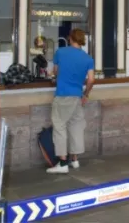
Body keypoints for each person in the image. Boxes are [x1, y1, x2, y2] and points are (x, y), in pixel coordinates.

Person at [47, 29, 95, 174]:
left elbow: (55, 71)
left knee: (59, 125)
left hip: (63, 95)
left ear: (70, 38)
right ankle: (74, 160)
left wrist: (55, 74)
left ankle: (62, 163)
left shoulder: (61, 52)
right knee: (76, 126)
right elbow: (91, 80)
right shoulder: (88, 58)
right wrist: (86, 95)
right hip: (77, 96)